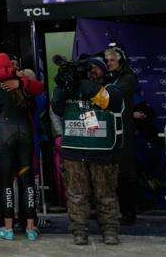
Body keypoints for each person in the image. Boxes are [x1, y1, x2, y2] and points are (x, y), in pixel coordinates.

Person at [52, 57, 124, 245]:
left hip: (102, 151)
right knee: (76, 195)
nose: (91, 71)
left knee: (105, 195)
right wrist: (62, 85)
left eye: (95, 68)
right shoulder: (70, 89)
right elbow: (57, 108)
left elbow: (108, 102)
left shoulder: (111, 89)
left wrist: (81, 82)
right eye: (88, 69)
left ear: (103, 71)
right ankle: (79, 230)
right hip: (74, 151)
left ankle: (109, 230)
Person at [0, 53, 41, 242]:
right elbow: (37, 97)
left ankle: (8, 229)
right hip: (25, 133)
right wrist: (21, 82)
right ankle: (30, 228)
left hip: (5, 133)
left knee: (6, 180)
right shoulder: (22, 84)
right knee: (27, 180)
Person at [103, 44, 138, 225]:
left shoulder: (128, 78)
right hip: (108, 132)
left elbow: (112, 94)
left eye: (112, 60)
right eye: (106, 60)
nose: (108, 63)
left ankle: (128, 211)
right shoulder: (107, 78)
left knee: (125, 172)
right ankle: (109, 210)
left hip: (123, 132)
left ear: (121, 61)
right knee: (108, 173)